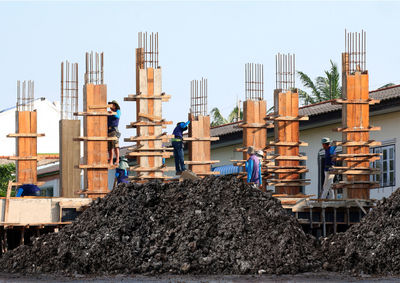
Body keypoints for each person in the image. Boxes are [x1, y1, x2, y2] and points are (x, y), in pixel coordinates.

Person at [108, 100, 121, 165]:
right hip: (108, 131)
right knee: (110, 148)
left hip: (114, 130)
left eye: (112, 105)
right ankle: (111, 161)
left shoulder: (117, 111)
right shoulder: (109, 113)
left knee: (116, 146)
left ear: (115, 105)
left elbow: (117, 116)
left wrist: (112, 112)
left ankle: (117, 160)